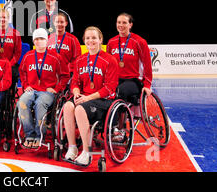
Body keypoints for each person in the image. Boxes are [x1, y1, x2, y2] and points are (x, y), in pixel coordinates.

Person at [62, 26, 119, 166]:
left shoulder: (110, 60)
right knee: (68, 106)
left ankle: (87, 152)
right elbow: (75, 81)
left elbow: (110, 87)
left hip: (103, 100)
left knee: (80, 109)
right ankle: (72, 147)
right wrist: (75, 91)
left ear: (100, 40)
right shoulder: (80, 60)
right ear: (84, 41)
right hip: (84, 98)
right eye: (87, 38)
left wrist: (88, 98)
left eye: (94, 38)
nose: (90, 40)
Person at [17, 28, 69, 148]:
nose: (39, 41)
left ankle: (40, 135)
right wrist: (26, 85)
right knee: (22, 102)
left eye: (42, 39)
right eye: (36, 39)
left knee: (40, 104)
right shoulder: (28, 56)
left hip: (47, 91)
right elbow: (22, 72)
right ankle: (30, 134)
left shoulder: (55, 57)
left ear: (46, 41)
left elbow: (65, 75)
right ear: (33, 41)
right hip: (32, 89)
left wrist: (57, 88)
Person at [106, 13, 153, 105]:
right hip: (116, 79)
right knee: (106, 92)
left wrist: (147, 85)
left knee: (120, 91)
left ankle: (120, 118)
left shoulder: (139, 41)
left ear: (130, 25)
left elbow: (147, 64)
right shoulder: (111, 42)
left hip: (134, 80)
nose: (121, 25)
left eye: (124, 22)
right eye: (119, 22)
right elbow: (108, 65)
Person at [0, 9, 22, 88]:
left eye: (4, 17)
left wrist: (9, 64)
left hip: (10, 64)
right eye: (0, 17)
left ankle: (10, 95)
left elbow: (17, 53)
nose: (2, 19)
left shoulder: (15, 33)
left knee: (11, 73)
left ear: (8, 19)